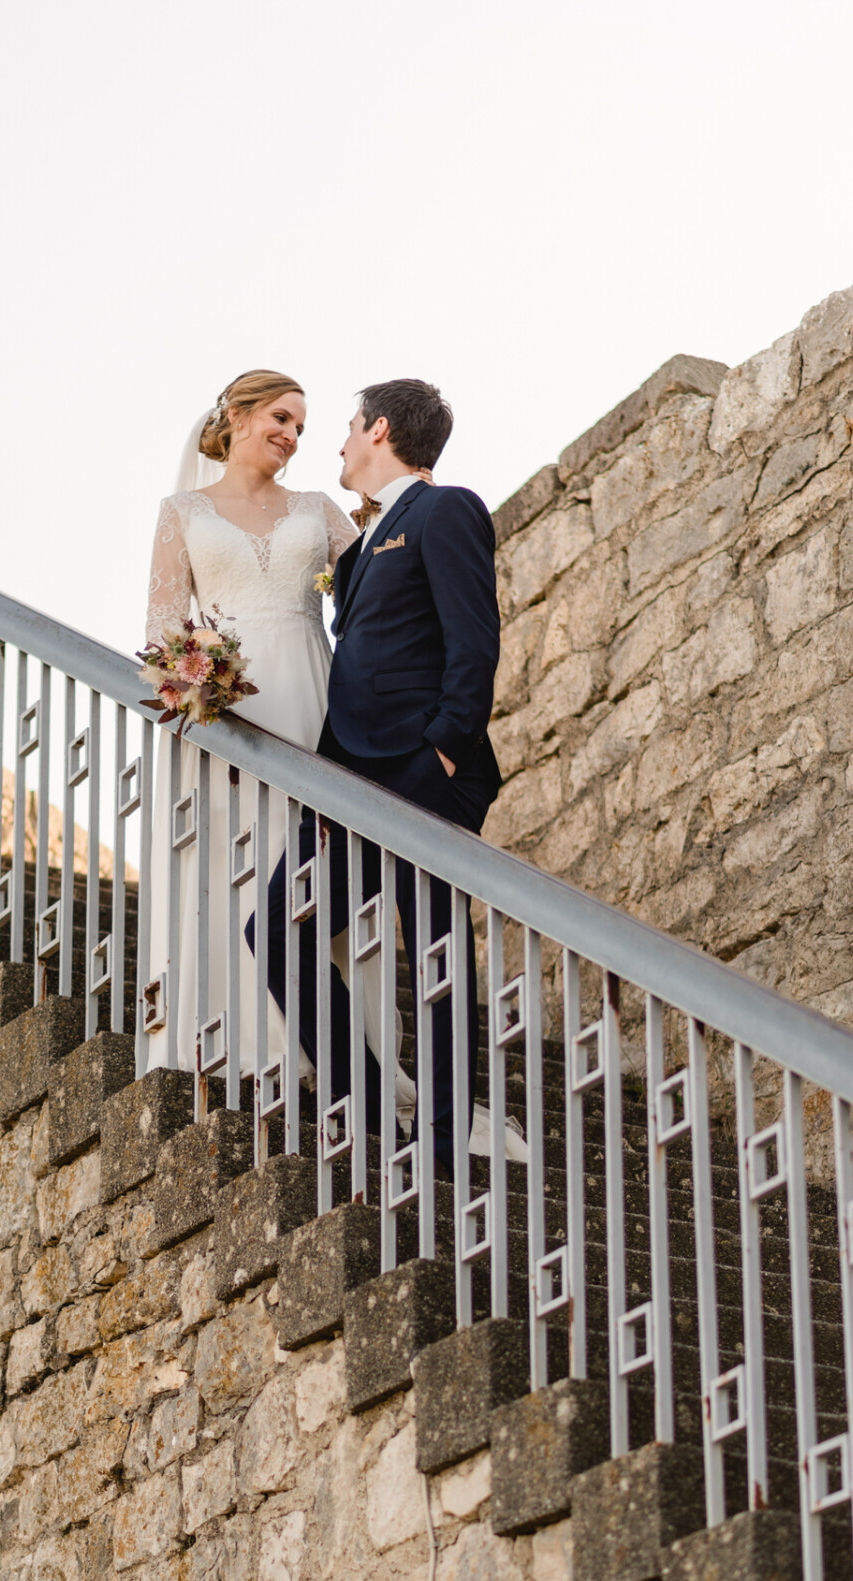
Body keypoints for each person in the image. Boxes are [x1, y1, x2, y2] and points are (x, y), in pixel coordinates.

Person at [249, 378, 503, 1175]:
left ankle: (439, 1148)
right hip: (349, 783)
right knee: (277, 929)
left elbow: (474, 644)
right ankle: (367, 1101)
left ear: (381, 429)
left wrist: (443, 755)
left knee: (433, 950)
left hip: (422, 773)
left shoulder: (446, 509)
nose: (339, 440)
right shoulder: (359, 549)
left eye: (350, 425)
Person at [143, 369, 363, 1080]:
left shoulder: (319, 508)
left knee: (306, 865)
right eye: (279, 416)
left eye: (301, 426)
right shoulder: (182, 511)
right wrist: (194, 683)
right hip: (226, 712)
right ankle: (233, 1042)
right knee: (233, 860)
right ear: (235, 417)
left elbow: (374, 596)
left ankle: (315, 1050)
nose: (292, 435)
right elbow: (161, 630)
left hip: (312, 696)